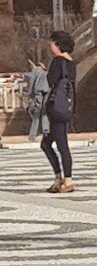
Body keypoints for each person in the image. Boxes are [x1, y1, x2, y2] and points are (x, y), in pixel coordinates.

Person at [41, 29, 77, 194]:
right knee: (48, 143)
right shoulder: (71, 63)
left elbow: (49, 82)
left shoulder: (57, 62)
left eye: (52, 42)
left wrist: (41, 73)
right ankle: (59, 179)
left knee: (60, 144)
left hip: (55, 108)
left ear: (58, 44)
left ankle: (65, 180)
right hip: (66, 108)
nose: (50, 45)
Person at [25, 55, 50, 140]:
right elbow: (43, 88)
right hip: (40, 98)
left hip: (34, 98)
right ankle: (44, 132)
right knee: (42, 116)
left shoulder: (33, 74)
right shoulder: (42, 74)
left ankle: (34, 134)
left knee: (36, 117)